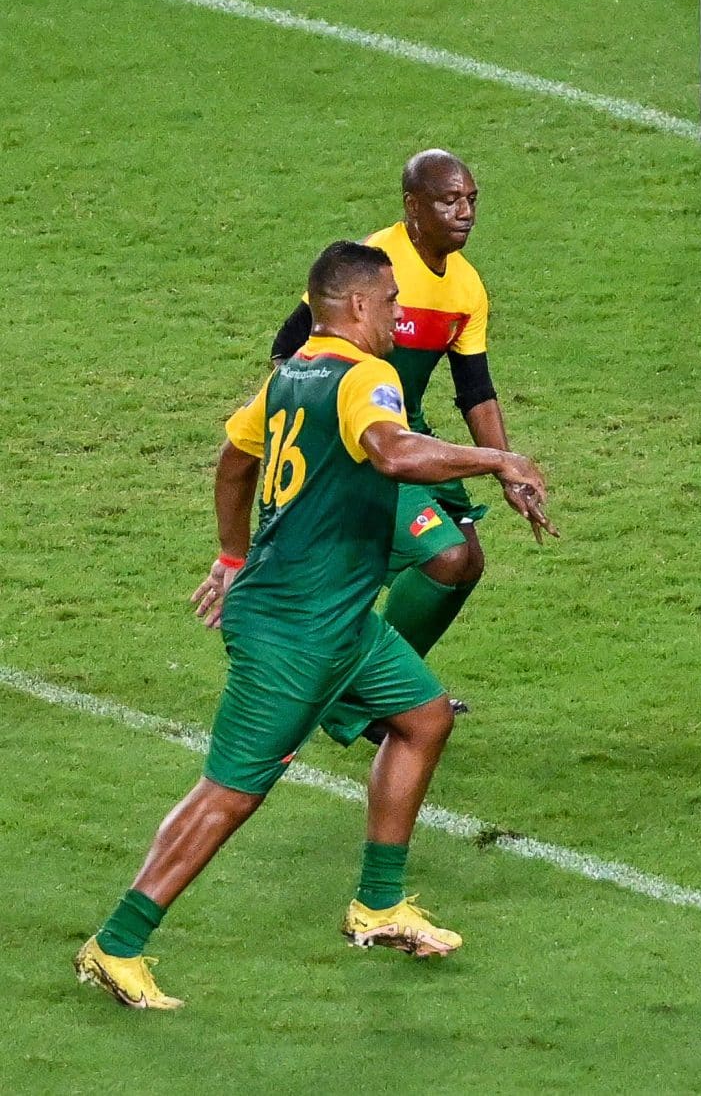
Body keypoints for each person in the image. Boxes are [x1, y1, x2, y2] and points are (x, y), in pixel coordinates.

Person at [74, 241, 554, 1009]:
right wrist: (496, 459)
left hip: (338, 616)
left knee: (424, 717)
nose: (400, 311)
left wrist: (232, 556)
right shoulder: (368, 377)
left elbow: (234, 458)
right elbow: (392, 454)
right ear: (358, 306)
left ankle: (378, 903)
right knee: (229, 792)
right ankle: (117, 943)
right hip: (296, 626)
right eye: (391, 299)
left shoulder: (290, 373)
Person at [269, 150, 547, 741]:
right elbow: (290, 344)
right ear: (413, 207)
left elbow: (476, 390)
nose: (465, 211)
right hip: (361, 429)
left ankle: (375, 690)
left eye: (471, 199)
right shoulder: (374, 264)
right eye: (450, 200)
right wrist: (306, 415)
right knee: (443, 556)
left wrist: (508, 473)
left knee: (466, 563)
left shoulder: (467, 287)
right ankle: (352, 697)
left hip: (405, 423)